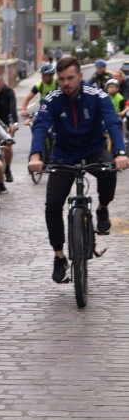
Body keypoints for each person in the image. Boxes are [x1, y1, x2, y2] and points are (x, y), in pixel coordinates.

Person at [28, 57, 128, 283]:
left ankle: (102, 208)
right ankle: (59, 256)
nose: (66, 83)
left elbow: (112, 122)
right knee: (53, 205)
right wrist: (35, 155)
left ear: (80, 77)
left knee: (109, 171)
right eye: (61, 79)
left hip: (93, 148)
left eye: (70, 78)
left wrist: (120, 152)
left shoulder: (97, 96)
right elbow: (41, 125)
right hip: (64, 153)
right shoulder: (52, 99)